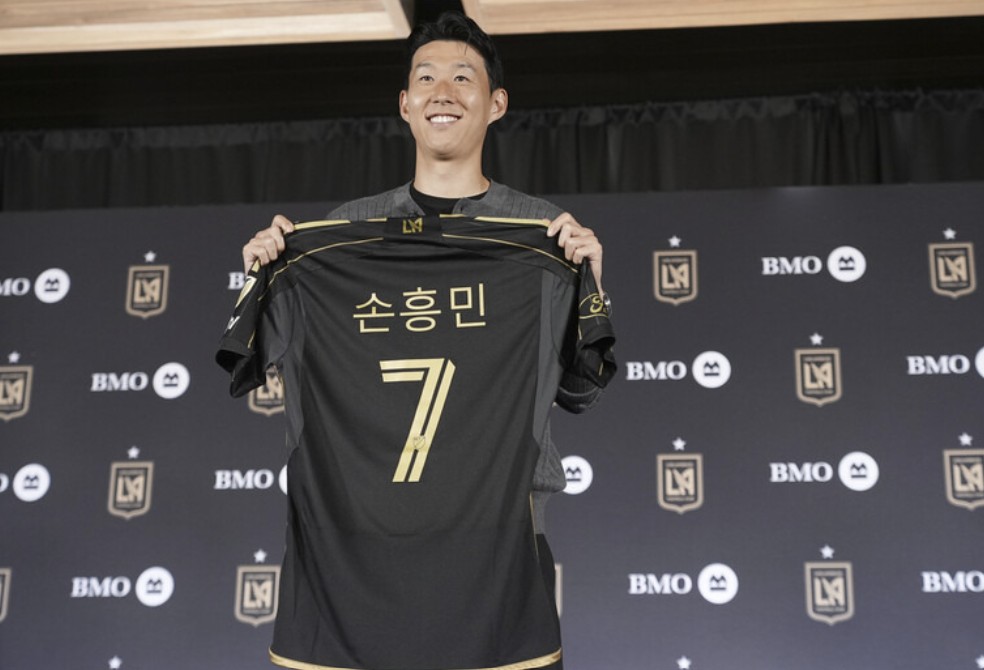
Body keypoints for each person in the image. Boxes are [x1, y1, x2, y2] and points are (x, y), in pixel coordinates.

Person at [228, 11, 614, 670]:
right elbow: (259, 363)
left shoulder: (544, 233)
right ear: (404, 103)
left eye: (463, 78)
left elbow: (579, 390)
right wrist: (267, 277)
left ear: (496, 104)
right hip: (351, 560)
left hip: (496, 555)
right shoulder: (341, 236)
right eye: (426, 77)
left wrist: (590, 284)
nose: (443, 92)